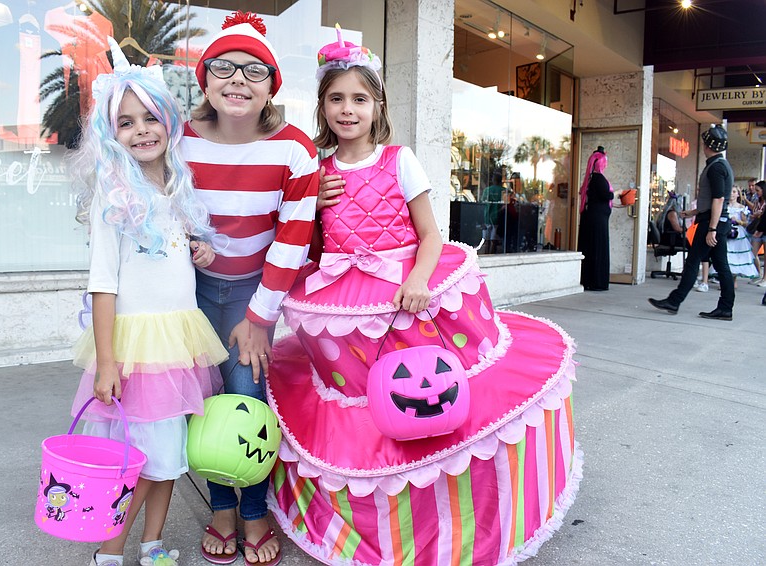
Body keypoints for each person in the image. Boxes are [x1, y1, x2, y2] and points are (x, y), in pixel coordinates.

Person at [265, 31, 581, 565]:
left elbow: (431, 234)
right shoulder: (318, 172)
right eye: (336, 98)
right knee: (362, 396)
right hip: (346, 291)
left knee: (426, 378)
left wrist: (419, 280)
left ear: (378, 105)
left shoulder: (399, 159)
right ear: (322, 105)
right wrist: (310, 199)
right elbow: (310, 244)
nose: (348, 109)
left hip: (410, 289)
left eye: (359, 99)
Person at [68, 39, 229, 566]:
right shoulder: (114, 198)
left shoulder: (176, 190)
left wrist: (199, 249)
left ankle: (153, 546)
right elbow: (103, 284)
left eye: (150, 118)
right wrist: (109, 360)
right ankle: (109, 554)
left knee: (169, 460)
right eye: (126, 123)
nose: (141, 131)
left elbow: (177, 253)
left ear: (169, 122)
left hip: (178, 343)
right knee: (136, 461)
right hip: (135, 348)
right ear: (110, 136)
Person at [181, 11, 319, 566]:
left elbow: (292, 238)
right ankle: (221, 506)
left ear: (271, 87)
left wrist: (260, 318)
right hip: (187, 291)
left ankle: (255, 507)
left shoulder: (294, 149)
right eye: (224, 67)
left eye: (254, 71)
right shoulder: (179, 140)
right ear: (205, 79)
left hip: (251, 295)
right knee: (202, 398)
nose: (238, 79)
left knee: (246, 398)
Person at [649, 124, 735, 320]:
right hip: (716, 221)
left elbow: (719, 199)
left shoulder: (716, 168)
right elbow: (714, 199)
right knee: (721, 265)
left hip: (712, 223)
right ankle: (725, 308)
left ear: (708, 144)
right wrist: (693, 212)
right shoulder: (721, 165)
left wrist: (711, 228)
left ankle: (675, 301)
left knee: (693, 261)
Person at [577, 146, 613, 290]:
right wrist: (616, 194)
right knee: (597, 250)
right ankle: (596, 282)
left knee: (592, 249)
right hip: (598, 221)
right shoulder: (598, 179)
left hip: (594, 218)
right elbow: (607, 195)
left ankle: (590, 280)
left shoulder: (591, 179)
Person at [709, 185, 759, 281]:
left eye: (734, 192)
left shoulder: (741, 208)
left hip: (737, 233)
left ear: (738, 194)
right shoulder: (723, 206)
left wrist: (738, 221)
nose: (732, 194)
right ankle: (724, 279)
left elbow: (746, 223)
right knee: (725, 255)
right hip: (725, 232)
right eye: (730, 191)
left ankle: (733, 280)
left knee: (736, 256)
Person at [480, 170, 504, 253]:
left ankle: (486, 254)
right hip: (497, 218)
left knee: (486, 239)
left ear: (493, 180)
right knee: (494, 240)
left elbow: (482, 201)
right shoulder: (503, 190)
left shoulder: (487, 190)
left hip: (487, 217)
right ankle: (492, 254)